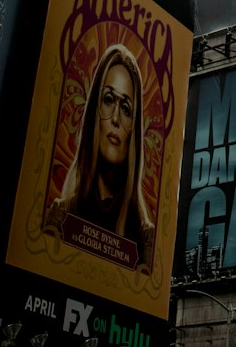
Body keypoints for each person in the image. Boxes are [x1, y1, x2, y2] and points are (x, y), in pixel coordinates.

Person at [45, 43, 155, 272]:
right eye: (108, 100)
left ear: (133, 130)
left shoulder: (145, 239)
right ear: (95, 108)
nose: (115, 118)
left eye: (125, 108)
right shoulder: (61, 215)